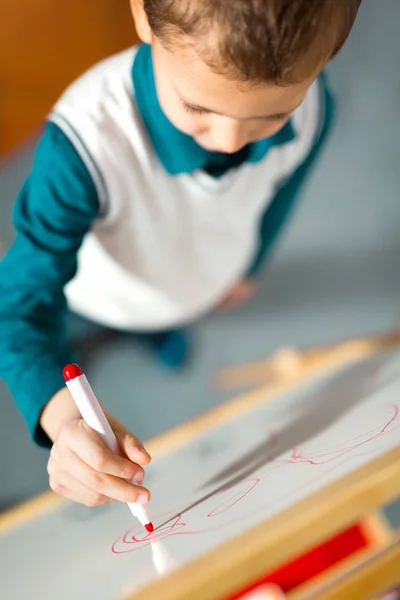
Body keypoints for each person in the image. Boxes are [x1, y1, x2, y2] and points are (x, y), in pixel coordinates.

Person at [0, 0, 361, 508]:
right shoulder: (83, 148)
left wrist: (252, 263)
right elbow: (17, 305)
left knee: (167, 314)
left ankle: (160, 326)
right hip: (107, 290)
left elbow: (283, 189)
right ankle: (135, 327)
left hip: (204, 276)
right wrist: (61, 420)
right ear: (144, 17)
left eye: (274, 114)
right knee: (100, 324)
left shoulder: (317, 108)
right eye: (198, 108)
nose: (232, 140)